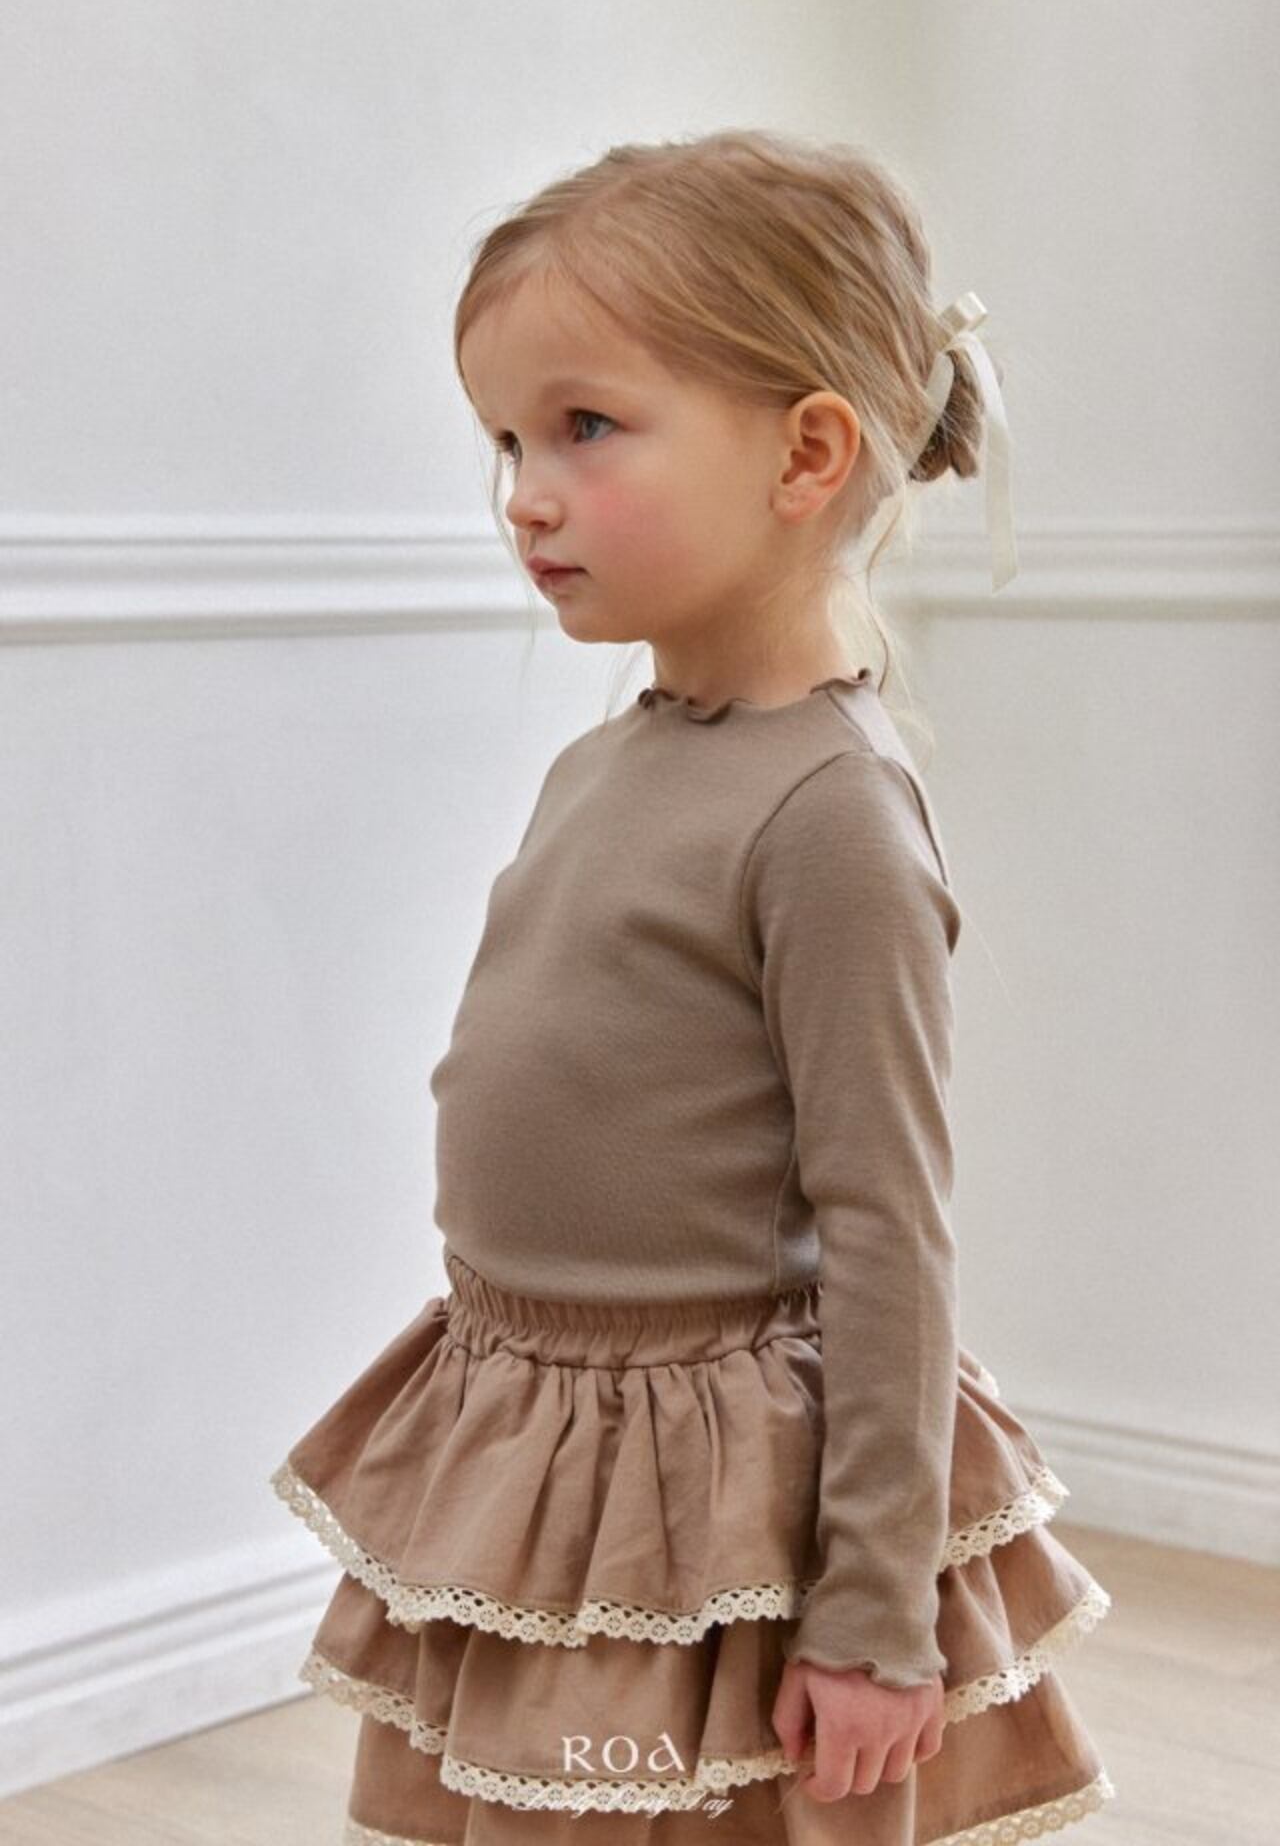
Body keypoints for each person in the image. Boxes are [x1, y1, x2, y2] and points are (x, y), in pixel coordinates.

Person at [270, 127, 1117, 1845]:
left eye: (585, 426)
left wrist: (872, 1615)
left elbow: (888, 1230)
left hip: (701, 1473)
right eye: (507, 441)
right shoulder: (609, 762)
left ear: (807, 452)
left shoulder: (833, 816)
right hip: (540, 1419)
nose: (526, 491)